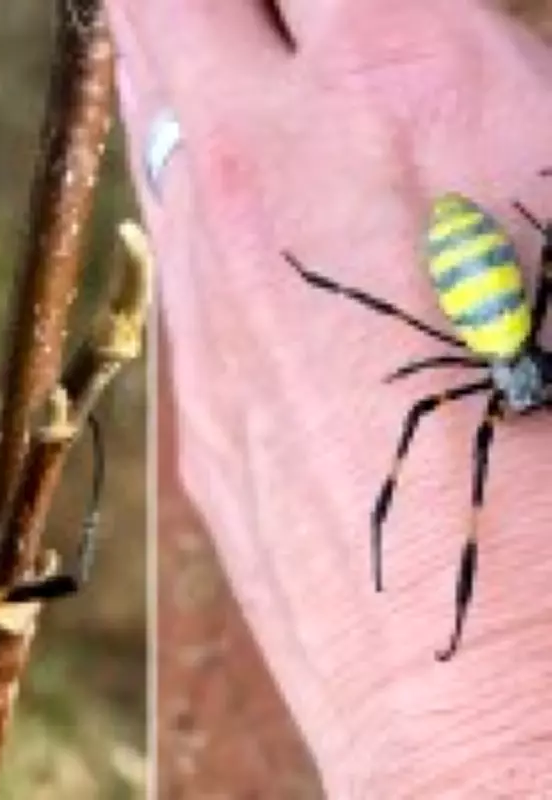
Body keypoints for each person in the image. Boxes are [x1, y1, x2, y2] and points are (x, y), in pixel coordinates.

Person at [109, 0, 552, 795]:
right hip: (482, 275)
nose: (523, 404)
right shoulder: (482, 374)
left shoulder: (472, 373)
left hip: (482, 290)